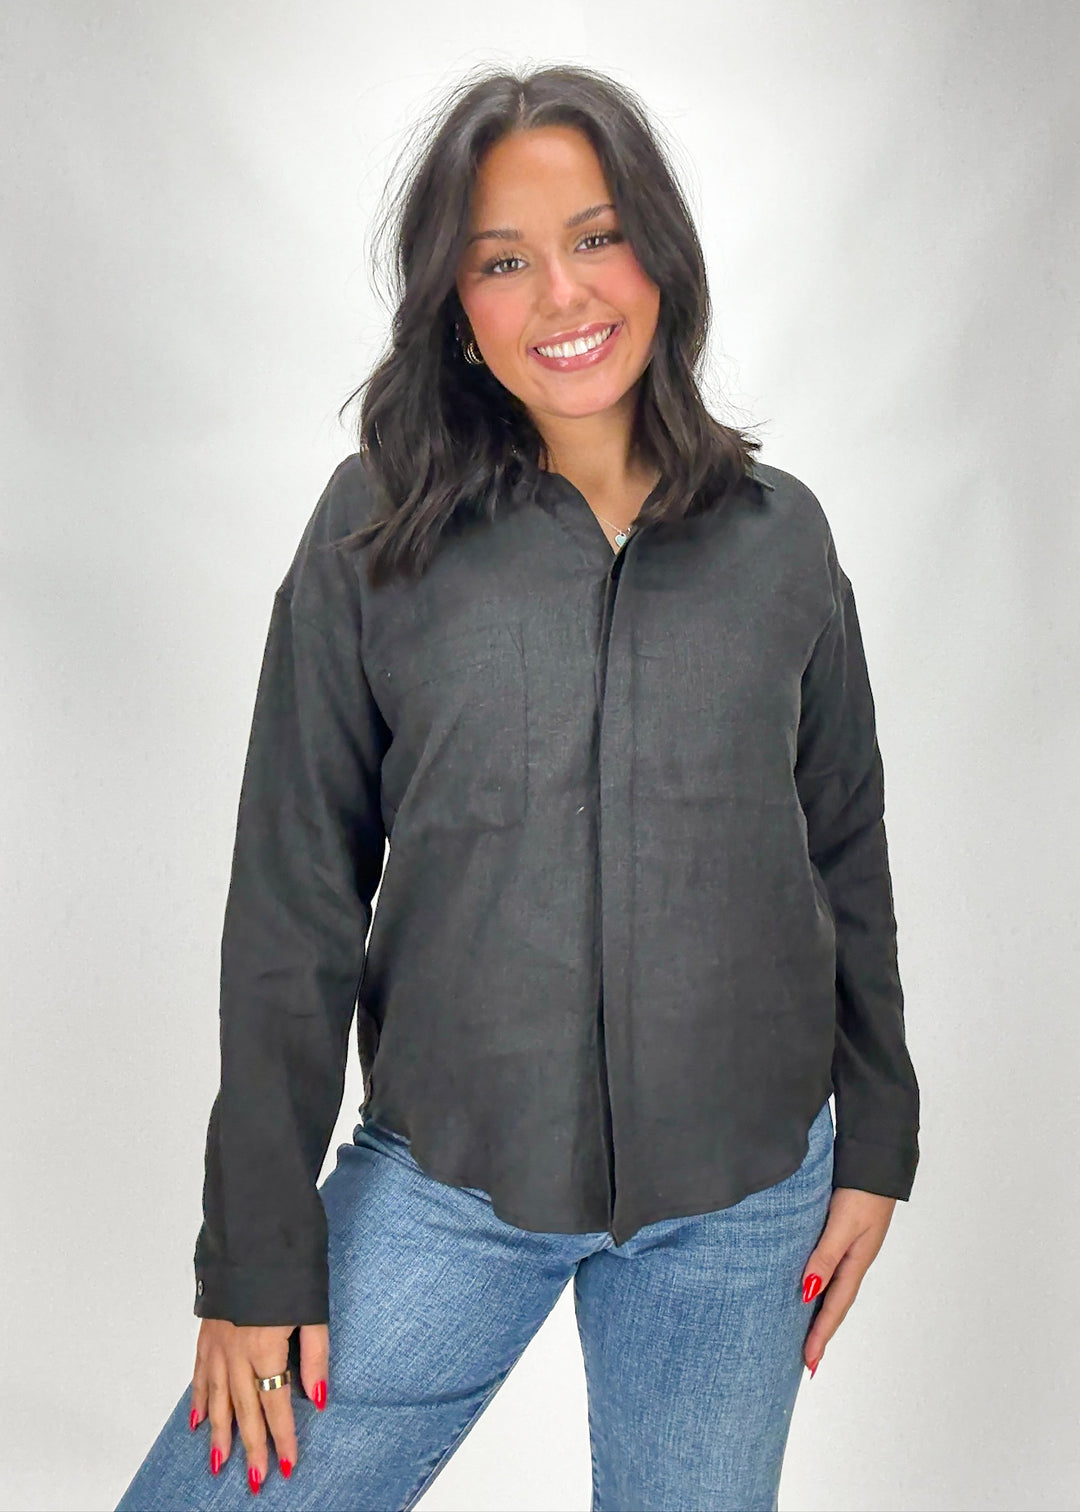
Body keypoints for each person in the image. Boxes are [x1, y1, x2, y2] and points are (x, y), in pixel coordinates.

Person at [115, 63, 919, 1512]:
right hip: (450, 1185)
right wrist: (257, 1252)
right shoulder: (376, 530)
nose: (563, 294)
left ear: (658, 257)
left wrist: (879, 1138)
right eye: (503, 260)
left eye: (597, 237)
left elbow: (843, 847)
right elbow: (295, 899)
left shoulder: (781, 538)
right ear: (459, 310)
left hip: (745, 1202)